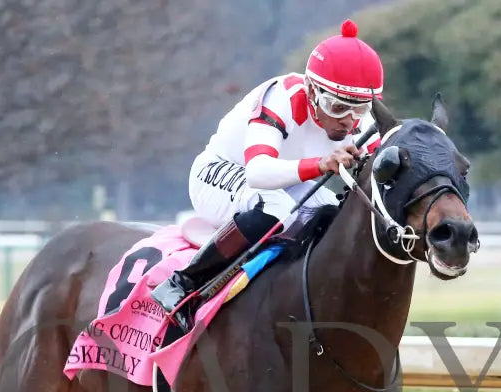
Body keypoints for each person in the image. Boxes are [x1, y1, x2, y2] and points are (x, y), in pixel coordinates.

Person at [151, 19, 385, 330]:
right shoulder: (284, 97)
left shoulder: (357, 119)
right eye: (337, 107)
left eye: (360, 109)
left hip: (285, 185)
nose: (349, 122)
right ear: (312, 90)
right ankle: (181, 285)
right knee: (275, 209)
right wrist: (321, 164)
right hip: (221, 173)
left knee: (333, 212)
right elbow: (258, 172)